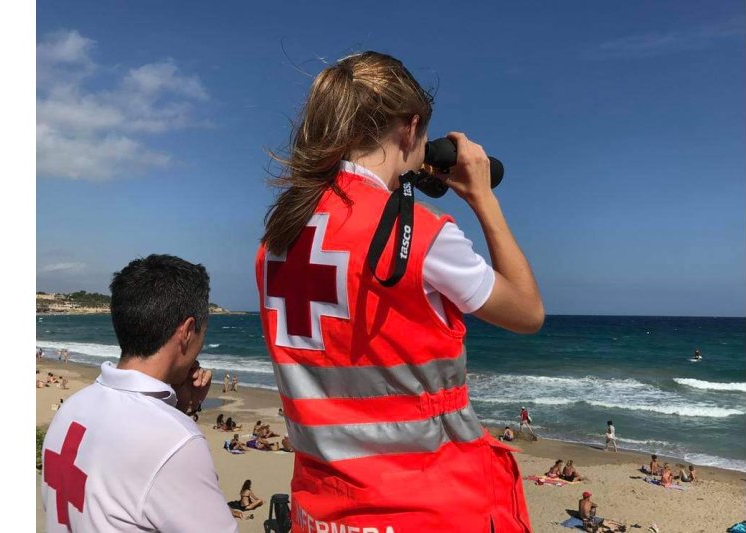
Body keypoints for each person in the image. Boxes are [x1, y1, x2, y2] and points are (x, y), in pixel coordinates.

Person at [255, 51, 544, 532]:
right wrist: (484, 200)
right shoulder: (423, 237)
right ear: (410, 130)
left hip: (323, 510)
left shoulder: (277, 240)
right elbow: (528, 312)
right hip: (425, 509)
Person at [40, 254, 237, 531]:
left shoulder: (72, 408)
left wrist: (182, 409)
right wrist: (178, 421)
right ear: (188, 331)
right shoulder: (176, 442)